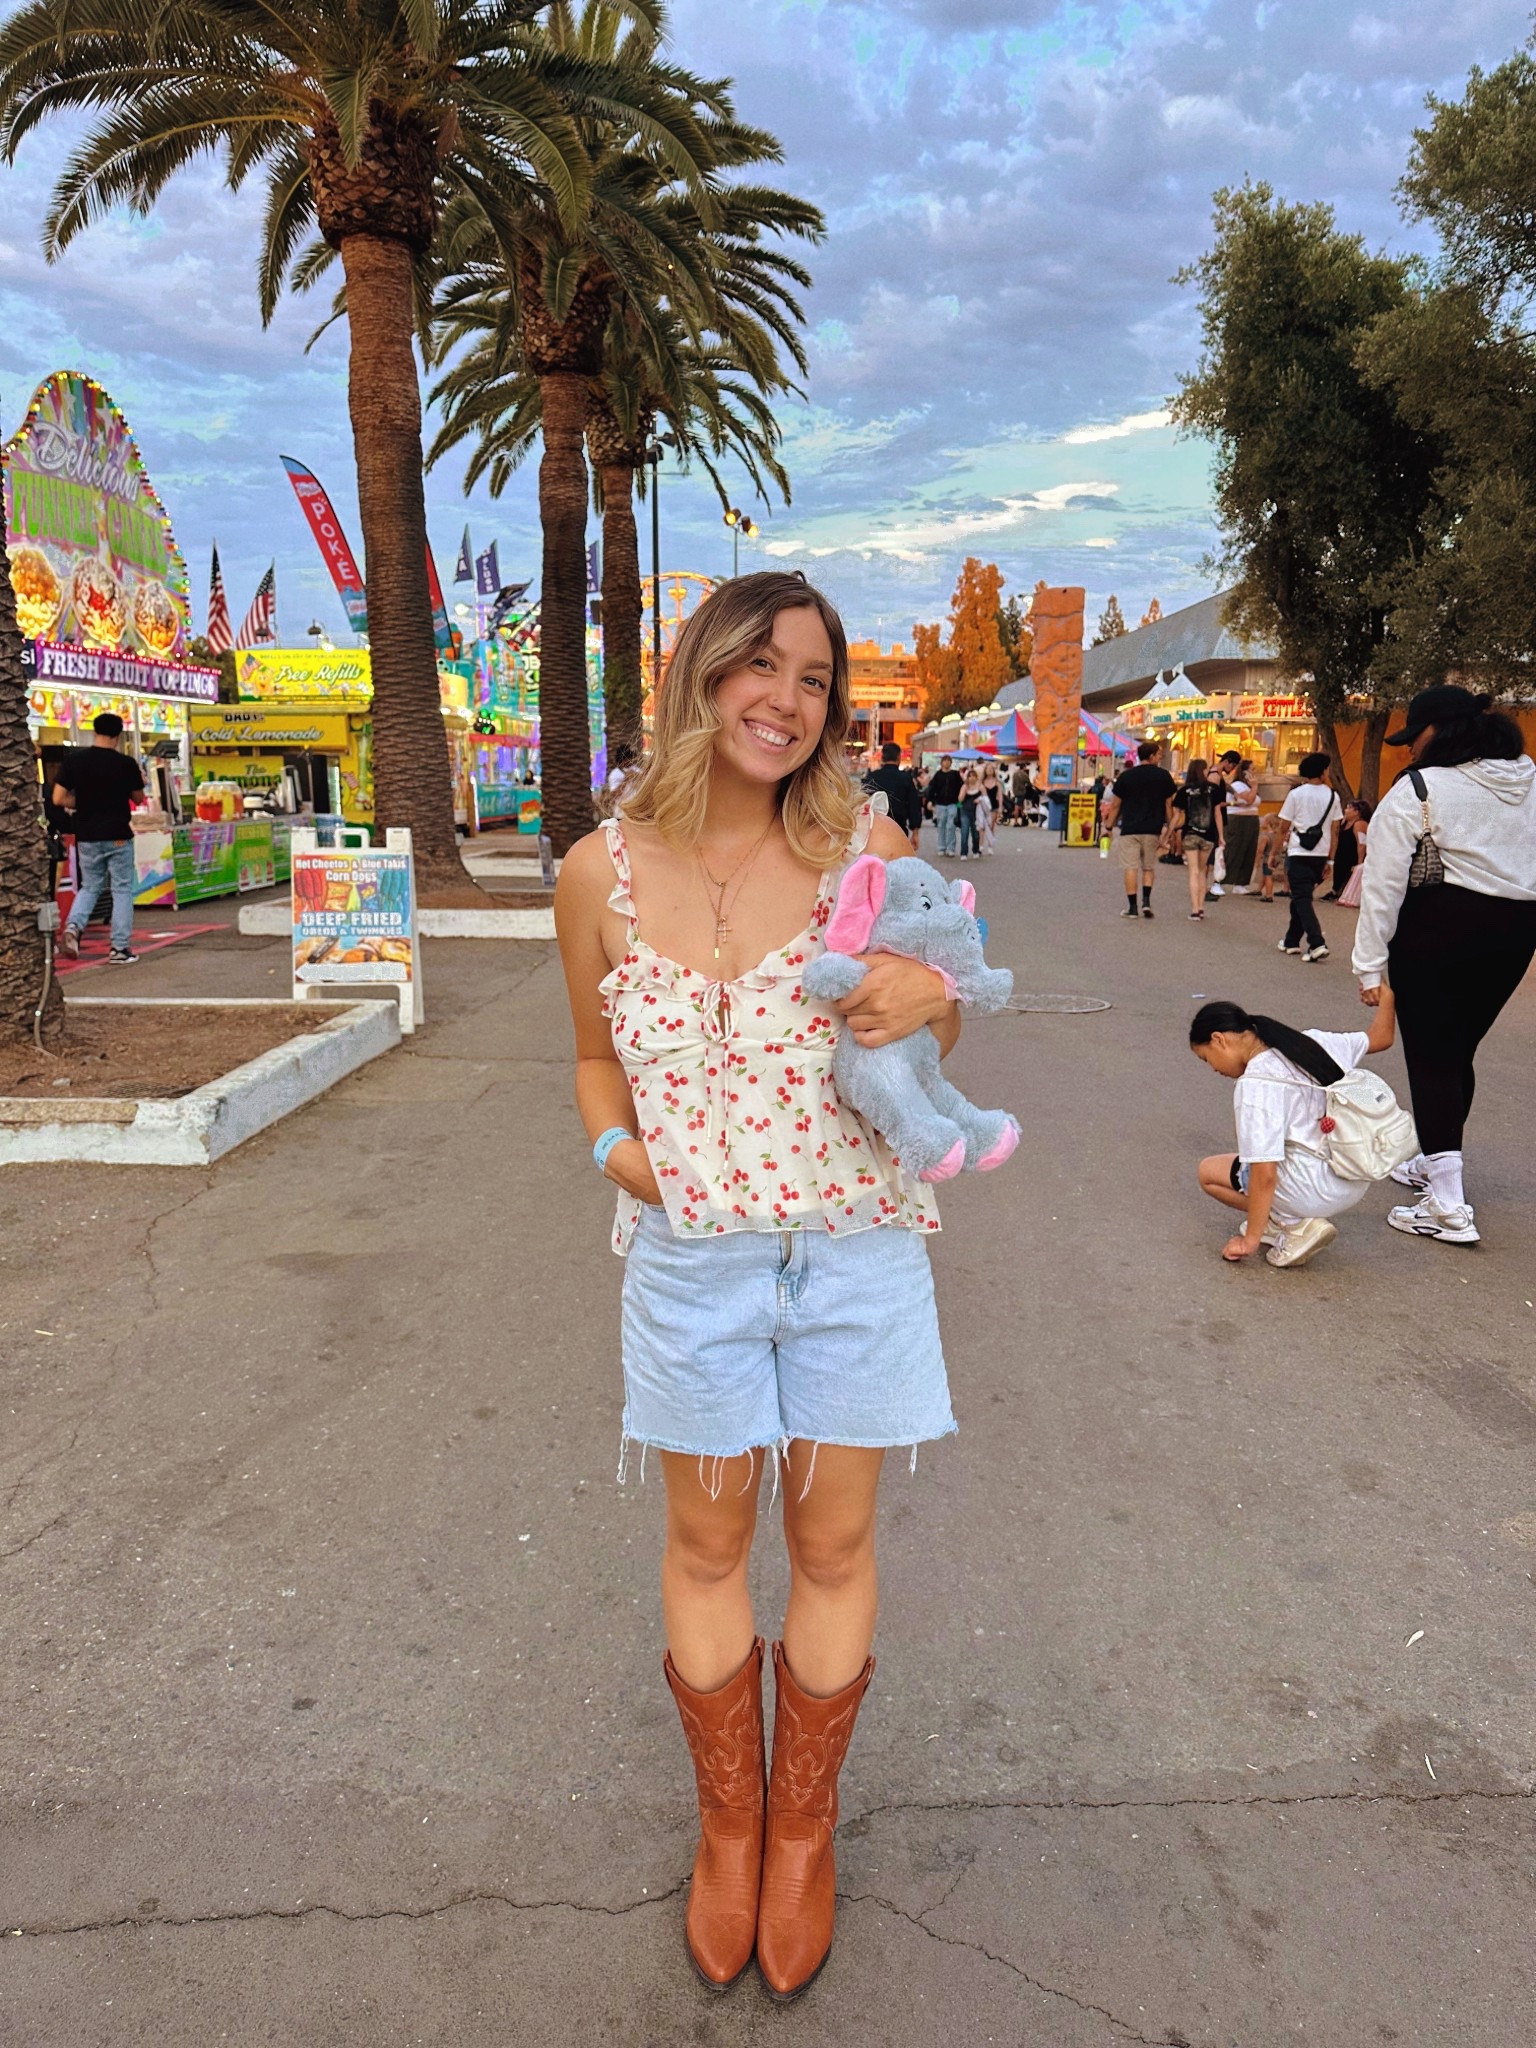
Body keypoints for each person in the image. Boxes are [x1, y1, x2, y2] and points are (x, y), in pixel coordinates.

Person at [553, 569, 962, 2000]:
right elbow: (595, 1057)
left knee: (836, 1547)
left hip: (855, 1252)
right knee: (709, 1547)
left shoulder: (867, 843)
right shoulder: (595, 874)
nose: (785, 701)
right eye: (761, 666)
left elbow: (924, 1039)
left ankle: (807, 1831)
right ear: (702, 672)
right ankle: (733, 1821)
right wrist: (622, 1156)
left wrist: (935, 1002)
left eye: (814, 678)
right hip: (691, 1264)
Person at [1352, 685, 1536, 1246]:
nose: (1410, 750)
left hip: (1439, 927)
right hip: (1516, 932)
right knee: (1457, 1053)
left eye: (1416, 737)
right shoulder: (1529, 779)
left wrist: (1369, 967)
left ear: (1444, 731)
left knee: (1431, 1056)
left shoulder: (1420, 788)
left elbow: (1382, 885)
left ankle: (1449, 1207)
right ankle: (1435, 1165)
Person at [1189, 993, 1399, 1269]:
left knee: (1209, 1173)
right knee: (1257, 1162)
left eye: (1207, 1059)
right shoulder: (1310, 1042)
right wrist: (1387, 997)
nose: (1213, 1068)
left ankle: (1294, 1226)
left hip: (1313, 1191)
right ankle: (1285, 1220)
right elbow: (1381, 1038)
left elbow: (1265, 1174)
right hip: (1356, 1174)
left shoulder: (1256, 1084)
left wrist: (1249, 1241)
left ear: (1219, 1039)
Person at [54, 712, 145, 964]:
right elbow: (138, 798)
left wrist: (80, 802)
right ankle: (119, 948)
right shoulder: (125, 764)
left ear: (94, 732)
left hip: (87, 837)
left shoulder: (75, 761)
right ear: (117, 736)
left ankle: (73, 927)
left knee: (90, 886)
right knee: (122, 889)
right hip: (117, 836)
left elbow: (58, 798)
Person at [1274, 753, 1341, 963]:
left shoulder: (1296, 794)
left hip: (1298, 851)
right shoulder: (1333, 796)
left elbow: (1283, 826)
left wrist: (1275, 852)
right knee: (1301, 896)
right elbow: (1335, 829)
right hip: (1320, 854)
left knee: (1301, 898)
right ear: (1322, 771)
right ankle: (1291, 940)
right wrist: (1331, 860)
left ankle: (1316, 942)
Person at [1101, 740, 1176, 918]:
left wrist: (1108, 827)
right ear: (1151, 756)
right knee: (1148, 867)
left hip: (1130, 828)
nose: (1160, 757)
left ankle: (1132, 907)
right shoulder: (1163, 776)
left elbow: (1116, 805)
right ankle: (1146, 903)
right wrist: (1170, 828)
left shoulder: (1127, 776)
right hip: (1153, 829)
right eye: (1158, 754)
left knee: (1130, 867)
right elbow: (1168, 805)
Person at [1172, 760, 1223, 920]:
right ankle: (1201, 907)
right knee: (1202, 871)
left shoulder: (1185, 790)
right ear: (1203, 770)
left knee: (1193, 871)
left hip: (1190, 833)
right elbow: (1217, 814)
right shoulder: (1213, 789)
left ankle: (1194, 909)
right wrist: (1221, 836)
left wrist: (1167, 835)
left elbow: (1176, 816)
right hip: (1208, 835)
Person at [864, 740, 924, 850]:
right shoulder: (905, 778)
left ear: (882, 758)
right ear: (898, 757)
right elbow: (913, 806)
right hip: (899, 829)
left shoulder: (871, 777)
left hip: (873, 831)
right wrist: (915, 832)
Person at [1215, 751, 1260, 892]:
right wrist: (1254, 787)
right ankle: (1223, 880)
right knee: (1234, 849)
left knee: (1248, 850)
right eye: (1252, 770)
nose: (1254, 773)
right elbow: (1247, 800)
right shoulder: (1239, 785)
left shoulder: (1248, 786)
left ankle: (1241, 882)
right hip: (1238, 819)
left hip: (1251, 819)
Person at [1327, 797, 1368, 901]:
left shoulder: (1359, 824)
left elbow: (1362, 843)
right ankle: (1335, 890)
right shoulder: (1344, 823)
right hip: (1341, 855)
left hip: (1352, 856)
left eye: (1349, 808)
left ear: (1357, 812)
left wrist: (1359, 863)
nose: (1346, 810)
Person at [926, 754, 962, 857]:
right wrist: (930, 801)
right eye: (944, 760)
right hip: (940, 804)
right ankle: (941, 847)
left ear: (951, 762)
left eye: (948, 760)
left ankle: (950, 848)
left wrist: (959, 804)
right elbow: (932, 789)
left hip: (953, 804)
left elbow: (960, 789)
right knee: (941, 825)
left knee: (951, 826)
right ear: (942, 763)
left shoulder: (955, 775)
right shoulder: (938, 775)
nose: (946, 762)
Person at [957, 766, 983, 859]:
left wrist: (980, 799)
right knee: (964, 832)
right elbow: (959, 800)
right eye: (970, 776)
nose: (972, 777)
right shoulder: (964, 786)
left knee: (975, 833)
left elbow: (986, 799)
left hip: (976, 813)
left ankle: (976, 850)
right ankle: (963, 853)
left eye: (973, 776)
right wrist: (964, 791)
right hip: (965, 811)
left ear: (977, 777)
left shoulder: (980, 787)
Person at [979, 762, 1002, 853]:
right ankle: (980, 845)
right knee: (982, 826)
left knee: (991, 825)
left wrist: (1000, 807)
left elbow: (1000, 795)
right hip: (983, 806)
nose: (990, 771)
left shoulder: (997, 783)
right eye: (988, 769)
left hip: (993, 805)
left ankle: (990, 845)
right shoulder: (981, 782)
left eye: (991, 769)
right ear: (985, 771)